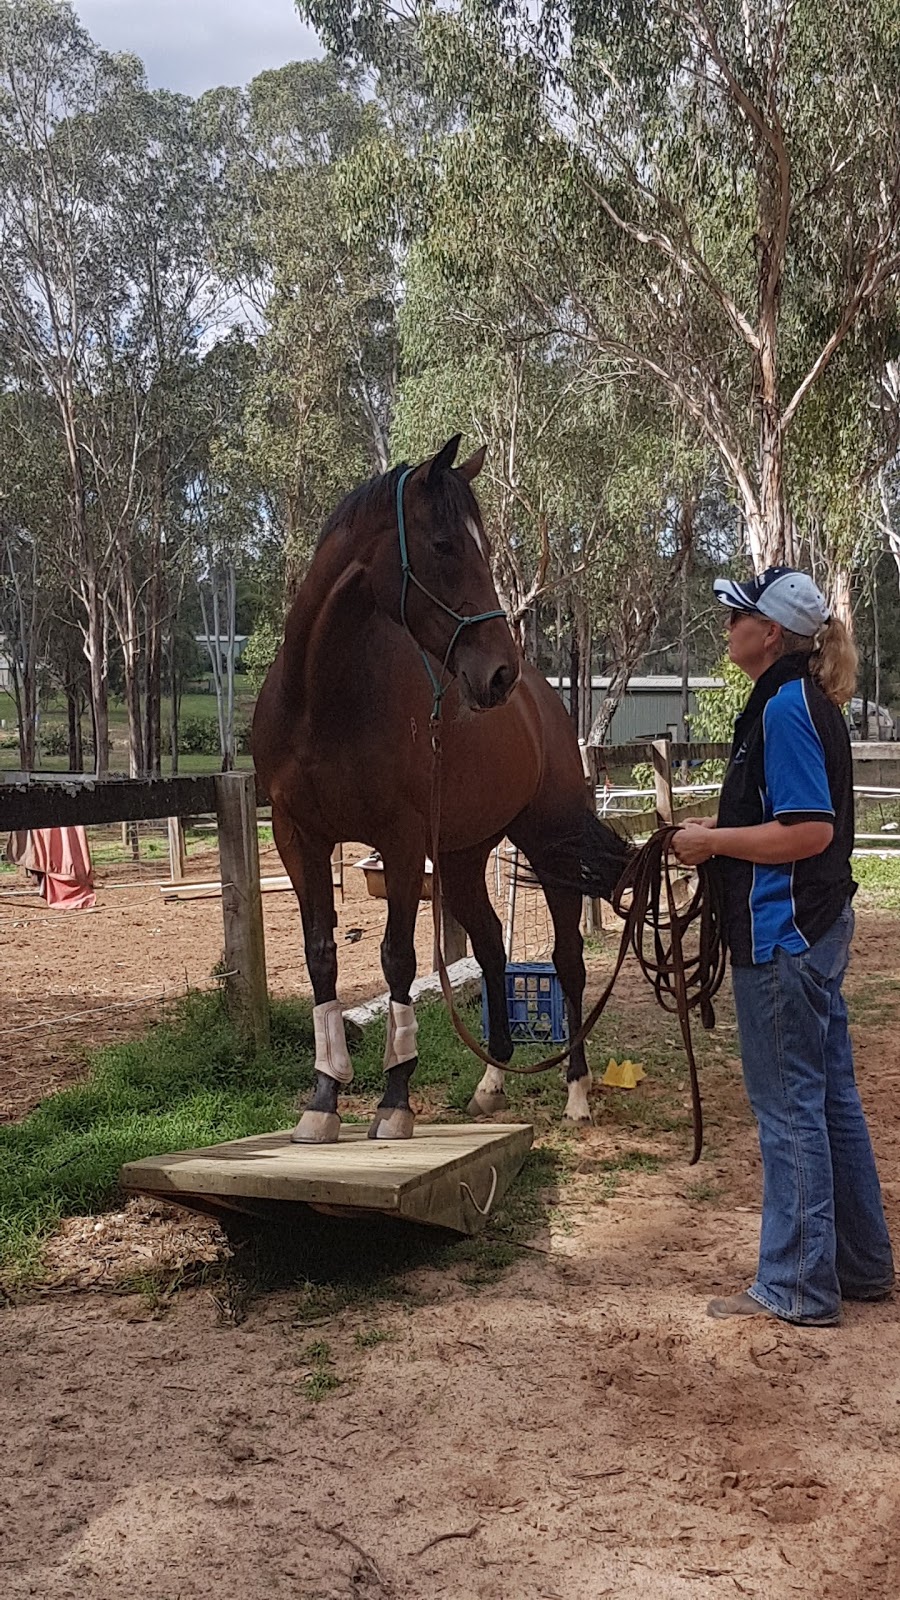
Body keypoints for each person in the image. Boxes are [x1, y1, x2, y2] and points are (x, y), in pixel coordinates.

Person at [673, 566, 894, 1326]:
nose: (728, 624)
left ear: (771, 634)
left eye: (739, 614)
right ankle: (861, 1265)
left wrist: (711, 841)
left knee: (790, 1105)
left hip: (784, 936)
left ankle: (798, 1284)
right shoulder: (800, 699)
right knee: (829, 1097)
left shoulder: (787, 708)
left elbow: (809, 829)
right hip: (813, 927)